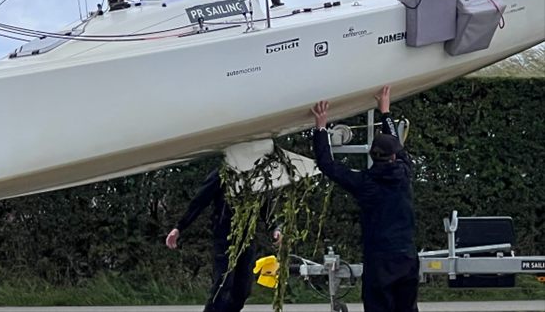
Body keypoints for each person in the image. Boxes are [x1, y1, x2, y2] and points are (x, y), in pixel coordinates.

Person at [310, 85, 419, 312]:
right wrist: (385, 111)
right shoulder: (404, 172)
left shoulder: (365, 184)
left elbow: (328, 166)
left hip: (380, 260)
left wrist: (321, 128)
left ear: (371, 155)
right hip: (407, 257)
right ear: (392, 156)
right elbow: (394, 142)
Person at [166, 169, 282, 312]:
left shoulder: (256, 177)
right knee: (223, 284)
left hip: (247, 239)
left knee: (243, 289)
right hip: (225, 238)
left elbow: (265, 205)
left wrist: (275, 227)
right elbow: (199, 202)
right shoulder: (221, 175)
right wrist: (179, 227)